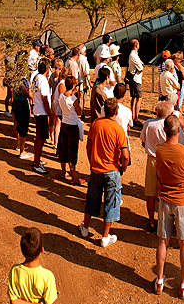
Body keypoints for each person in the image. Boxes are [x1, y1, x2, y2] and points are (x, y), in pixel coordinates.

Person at [152, 114, 184, 299]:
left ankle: (159, 281)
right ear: (178, 131)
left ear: (164, 131)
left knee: (163, 240)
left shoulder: (159, 150)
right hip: (183, 202)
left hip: (165, 200)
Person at [80, 98, 129, 248]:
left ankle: (85, 227)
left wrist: (92, 161)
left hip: (96, 169)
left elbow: (88, 146)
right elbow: (125, 155)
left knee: (92, 199)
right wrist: (123, 167)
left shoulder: (95, 124)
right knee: (110, 203)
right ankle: (105, 236)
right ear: (116, 112)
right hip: (112, 171)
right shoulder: (118, 130)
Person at [8, 227, 57, 304]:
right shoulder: (47, 276)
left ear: (22, 250)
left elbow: (14, 301)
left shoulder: (15, 271)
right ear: (42, 250)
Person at [139, 100, 170, 231]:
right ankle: (167, 222)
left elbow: (143, 142)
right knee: (166, 192)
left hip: (152, 159)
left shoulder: (148, 123)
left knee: (150, 193)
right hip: (166, 160)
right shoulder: (169, 125)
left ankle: (151, 221)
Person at [56, 76, 84, 185]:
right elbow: (79, 111)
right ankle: (74, 176)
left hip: (65, 123)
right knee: (72, 150)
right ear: (73, 85)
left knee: (63, 148)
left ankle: (63, 171)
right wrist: (77, 97)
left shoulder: (62, 96)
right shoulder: (73, 99)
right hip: (72, 125)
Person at [31, 60, 53, 175]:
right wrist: (50, 115)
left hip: (37, 110)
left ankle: (37, 160)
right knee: (41, 139)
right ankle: (37, 163)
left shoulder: (36, 77)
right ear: (48, 68)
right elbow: (45, 99)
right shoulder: (43, 80)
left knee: (38, 137)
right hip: (42, 112)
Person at [13, 62, 34, 160]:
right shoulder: (23, 81)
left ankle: (19, 146)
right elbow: (30, 94)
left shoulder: (14, 79)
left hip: (15, 103)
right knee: (23, 128)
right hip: (23, 105)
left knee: (18, 125)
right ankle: (22, 151)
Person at [125, 39, 144, 126]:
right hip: (136, 79)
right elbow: (141, 68)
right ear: (136, 45)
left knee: (134, 98)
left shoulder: (133, 54)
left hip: (134, 78)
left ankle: (133, 117)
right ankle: (135, 118)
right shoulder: (134, 55)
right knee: (139, 98)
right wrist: (141, 65)